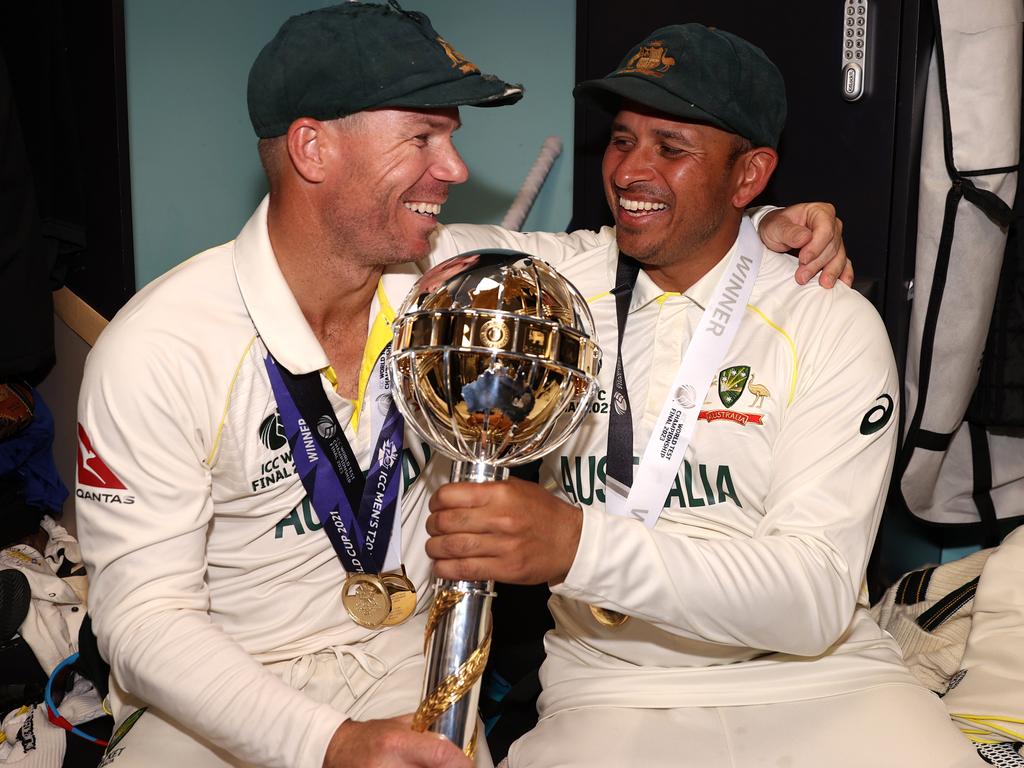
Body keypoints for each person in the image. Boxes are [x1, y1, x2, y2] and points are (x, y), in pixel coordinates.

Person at [76, 6, 849, 768]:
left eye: (450, 137)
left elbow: (632, 249)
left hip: (409, 671)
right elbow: (143, 622)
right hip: (216, 693)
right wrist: (327, 746)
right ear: (313, 148)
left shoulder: (453, 280)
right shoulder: (162, 347)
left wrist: (761, 227)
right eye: (423, 137)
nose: (455, 169)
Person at [423, 24, 987, 768]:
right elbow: (392, 254)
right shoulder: (555, 286)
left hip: (819, 682)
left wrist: (576, 543)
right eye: (623, 140)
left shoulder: (826, 317)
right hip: (607, 686)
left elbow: (813, 598)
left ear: (749, 175)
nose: (629, 171)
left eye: (671, 148)